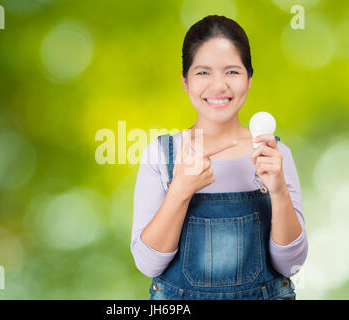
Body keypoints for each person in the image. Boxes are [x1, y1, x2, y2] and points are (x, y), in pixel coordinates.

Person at [130, 14, 308, 300]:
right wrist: (180, 191)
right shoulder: (161, 156)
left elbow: (291, 264)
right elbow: (149, 264)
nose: (219, 85)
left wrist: (278, 190)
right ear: (185, 81)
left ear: (249, 79)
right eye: (203, 72)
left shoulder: (276, 155)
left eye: (232, 72)